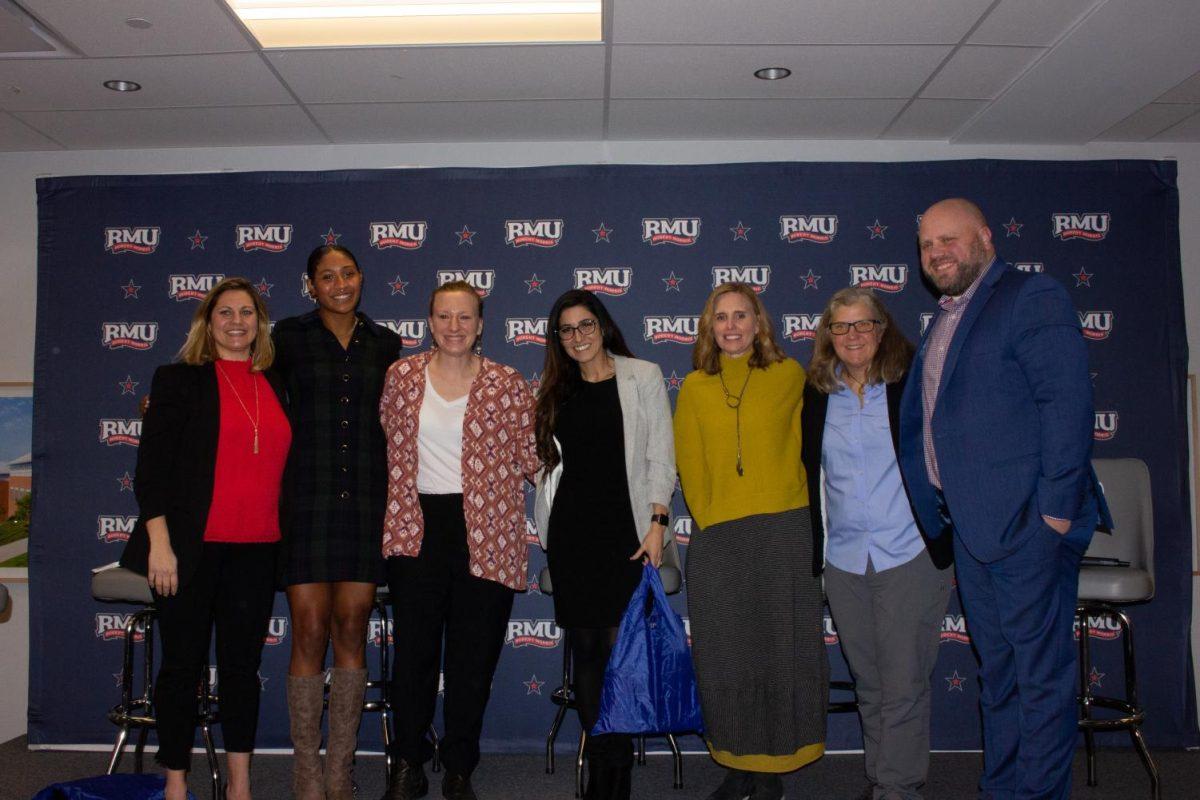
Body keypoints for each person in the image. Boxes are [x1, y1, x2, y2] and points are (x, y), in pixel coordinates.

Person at [898, 198, 1112, 800]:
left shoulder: (1029, 296)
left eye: (950, 239)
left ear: (986, 238)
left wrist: (1053, 515)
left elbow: (1067, 407)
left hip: (1028, 528)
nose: (937, 252)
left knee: (1039, 679)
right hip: (973, 528)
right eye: (926, 245)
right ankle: (1003, 790)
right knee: (1000, 677)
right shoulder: (948, 316)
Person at [119, 278, 291, 800]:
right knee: (181, 668)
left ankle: (240, 784)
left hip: (258, 550)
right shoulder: (177, 380)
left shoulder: (282, 382)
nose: (236, 321)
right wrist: (160, 544)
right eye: (225, 313)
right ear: (207, 322)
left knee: (242, 670)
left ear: (260, 323)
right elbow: (150, 474)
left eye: (247, 312)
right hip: (188, 552)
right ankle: (175, 783)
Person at [378, 281, 540, 800]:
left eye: (465, 317)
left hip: (487, 533)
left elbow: (535, 459)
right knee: (413, 659)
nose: (454, 327)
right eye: (444, 317)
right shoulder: (401, 377)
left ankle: (459, 766)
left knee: (472, 661)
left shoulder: (507, 383)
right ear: (429, 322)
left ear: (481, 324)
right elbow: (383, 443)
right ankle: (407, 761)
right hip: (417, 528)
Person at [674, 282, 828, 800]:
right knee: (726, 654)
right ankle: (736, 760)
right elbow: (689, 465)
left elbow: (811, 450)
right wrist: (712, 520)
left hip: (784, 531)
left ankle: (772, 767)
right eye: (722, 317)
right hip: (719, 537)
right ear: (709, 327)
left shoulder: (790, 376)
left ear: (759, 323)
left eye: (742, 315)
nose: (733, 326)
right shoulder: (694, 386)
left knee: (781, 651)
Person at [800, 287, 954, 800]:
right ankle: (883, 776)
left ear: (883, 329)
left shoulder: (913, 385)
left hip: (909, 551)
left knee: (905, 681)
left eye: (863, 324)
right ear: (828, 336)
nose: (852, 336)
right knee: (869, 681)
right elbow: (805, 472)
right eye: (840, 327)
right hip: (843, 558)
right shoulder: (817, 393)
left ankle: (897, 786)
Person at [532, 290, 676, 800]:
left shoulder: (643, 376)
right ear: (558, 339)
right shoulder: (554, 391)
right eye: (566, 330)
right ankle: (603, 766)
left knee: (621, 654)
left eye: (585, 324)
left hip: (628, 533)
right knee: (587, 653)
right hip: (572, 535)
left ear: (603, 325)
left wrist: (658, 522)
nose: (578, 337)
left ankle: (619, 768)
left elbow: (662, 455)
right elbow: (544, 465)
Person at [273, 245, 402, 800]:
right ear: (311, 286)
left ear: (361, 278)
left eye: (347, 273)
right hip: (305, 498)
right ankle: (306, 772)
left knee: (353, 627)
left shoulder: (386, 343)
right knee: (308, 628)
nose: (340, 283)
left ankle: (339, 771)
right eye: (327, 276)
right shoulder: (286, 338)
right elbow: (238, 380)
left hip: (367, 501)